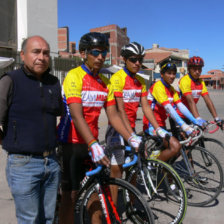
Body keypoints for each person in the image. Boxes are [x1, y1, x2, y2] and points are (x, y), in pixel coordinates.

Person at [57, 32, 141, 224]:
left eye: (104, 53)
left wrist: (130, 137)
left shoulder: (105, 82)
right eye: (96, 52)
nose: (101, 57)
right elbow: (77, 116)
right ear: (84, 53)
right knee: (71, 198)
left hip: (90, 145)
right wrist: (94, 143)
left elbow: (113, 115)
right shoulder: (74, 76)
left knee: (96, 196)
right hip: (70, 144)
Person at [0, 36, 63, 224]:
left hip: (51, 162)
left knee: (50, 218)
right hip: (23, 165)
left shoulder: (53, 82)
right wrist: (9, 142)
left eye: (45, 53)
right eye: (36, 52)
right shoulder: (10, 81)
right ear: (23, 55)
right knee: (30, 219)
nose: (41, 57)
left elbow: (59, 113)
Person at [105, 42, 170, 181]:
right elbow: (120, 110)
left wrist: (158, 129)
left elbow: (146, 107)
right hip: (117, 129)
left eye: (140, 60)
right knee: (117, 170)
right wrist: (131, 136)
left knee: (134, 168)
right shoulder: (118, 78)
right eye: (133, 59)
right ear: (125, 59)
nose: (137, 63)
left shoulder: (140, 81)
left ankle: (132, 201)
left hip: (131, 127)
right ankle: (113, 203)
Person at [143, 61, 200, 162]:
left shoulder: (171, 89)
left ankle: (164, 171)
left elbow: (180, 105)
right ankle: (153, 166)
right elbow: (168, 107)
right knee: (175, 146)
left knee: (176, 150)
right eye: (169, 73)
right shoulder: (158, 86)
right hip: (151, 125)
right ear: (161, 74)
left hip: (161, 124)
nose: (172, 76)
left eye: (174, 73)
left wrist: (195, 120)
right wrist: (183, 125)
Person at [178, 56, 224, 129]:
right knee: (183, 138)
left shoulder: (201, 82)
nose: (197, 71)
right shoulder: (185, 80)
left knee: (198, 137)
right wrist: (198, 119)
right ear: (189, 69)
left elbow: (208, 100)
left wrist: (216, 118)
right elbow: (190, 101)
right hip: (179, 115)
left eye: (199, 69)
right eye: (195, 69)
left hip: (191, 115)